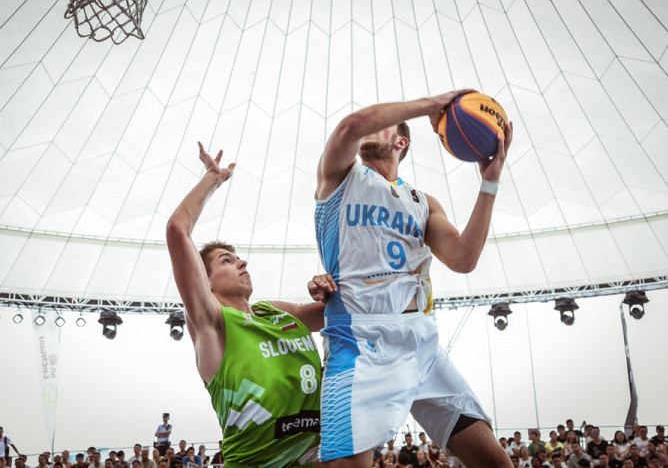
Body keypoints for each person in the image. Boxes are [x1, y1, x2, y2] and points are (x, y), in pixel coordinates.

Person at [314, 90, 512, 467]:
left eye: (383, 123)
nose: (369, 125)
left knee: (495, 461)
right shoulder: (339, 177)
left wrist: (490, 181)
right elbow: (353, 124)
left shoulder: (423, 201)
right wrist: (432, 106)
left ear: (400, 142)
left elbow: (464, 258)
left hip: (421, 342)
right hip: (361, 341)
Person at [166, 142, 334, 467]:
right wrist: (213, 178)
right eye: (227, 261)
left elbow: (338, 314)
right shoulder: (212, 323)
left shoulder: (274, 312)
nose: (242, 263)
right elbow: (177, 229)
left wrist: (327, 289)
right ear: (205, 281)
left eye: (239, 258)